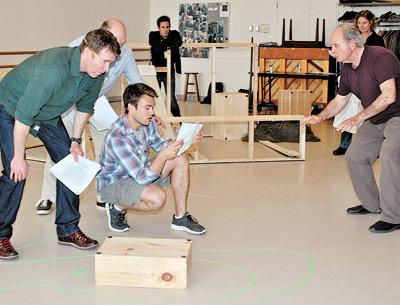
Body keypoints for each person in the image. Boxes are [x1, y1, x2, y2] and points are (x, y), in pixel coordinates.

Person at [0, 29, 121, 259]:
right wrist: (18, 157)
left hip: (46, 114)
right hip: (10, 108)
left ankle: (68, 229)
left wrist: (75, 141)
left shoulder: (96, 73)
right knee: (16, 173)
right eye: (105, 62)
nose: (107, 69)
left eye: (110, 63)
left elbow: (85, 107)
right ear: (89, 52)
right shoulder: (53, 70)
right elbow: (24, 116)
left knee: (70, 164)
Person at [36, 19, 143, 215]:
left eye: (123, 42)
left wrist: (145, 107)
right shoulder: (79, 46)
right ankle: (47, 196)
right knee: (60, 147)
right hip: (70, 103)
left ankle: (104, 194)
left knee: (108, 148)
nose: (121, 47)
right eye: (118, 43)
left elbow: (135, 82)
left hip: (98, 101)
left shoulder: (125, 52)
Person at [304, 23, 400, 233]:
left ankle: (394, 216)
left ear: (353, 43)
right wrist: (319, 117)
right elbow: (339, 101)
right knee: (355, 156)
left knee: (390, 156)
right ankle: (372, 205)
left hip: (397, 116)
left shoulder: (380, 57)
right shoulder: (347, 69)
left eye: (336, 45)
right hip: (375, 118)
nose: (332, 51)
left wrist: (358, 118)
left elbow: (389, 96)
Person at [97, 83, 206, 235]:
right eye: (147, 108)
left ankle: (180, 218)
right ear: (131, 107)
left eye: (153, 107)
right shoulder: (118, 137)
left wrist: (187, 141)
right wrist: (161, 157)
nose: (152, 112)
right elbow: (142, 177)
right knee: (157, 199)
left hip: (137, 173)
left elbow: (161, 146)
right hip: (114, 184)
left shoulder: (146, 123)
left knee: (180, 157)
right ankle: (116, 206)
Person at [333, 10, 386, 156]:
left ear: (371, 23)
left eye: (364, 23)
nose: (361, 26)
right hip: (353, 78)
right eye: (359, 23)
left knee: (369, 112)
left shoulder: (377, 40)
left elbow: (380, 62)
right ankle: (344, 145)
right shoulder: (352, 38)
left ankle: (374, 147)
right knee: (347, 110)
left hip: (369, 80)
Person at [149, 15, 182, 117]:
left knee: (171, 98)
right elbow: (154, 44)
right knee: (153, 97)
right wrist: (168, 45)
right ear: (159, 27)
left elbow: (178, 42)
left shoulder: (175, 33)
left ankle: (178, 121)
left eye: (167, 27)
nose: (166, 30)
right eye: (163, 27)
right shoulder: (153, 35)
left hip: (169, 70)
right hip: (156, 71)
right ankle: (153, 121)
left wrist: (163, 44)